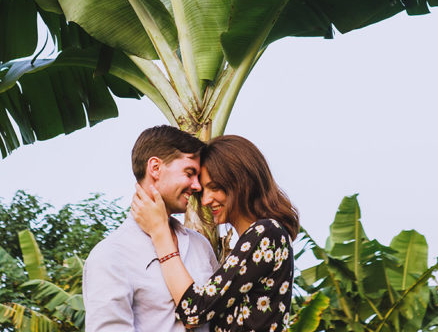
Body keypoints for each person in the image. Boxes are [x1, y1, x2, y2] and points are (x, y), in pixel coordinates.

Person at [131, 135, 298, 332]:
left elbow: (194, 311)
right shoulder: (262, 236)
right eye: (203, 192)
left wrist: (160, 233)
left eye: (215, 187)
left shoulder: (266, 234)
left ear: (241, 181)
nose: (205, 201)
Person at [83, 126, 220, 332]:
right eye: (189, 173)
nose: (197, 186)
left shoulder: (201, 245)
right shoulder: (110, 255)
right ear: (155, 168)